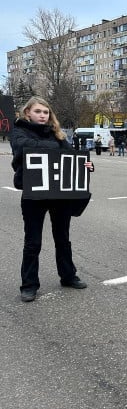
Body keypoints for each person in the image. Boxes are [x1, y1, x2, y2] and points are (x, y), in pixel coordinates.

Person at [10, 96, 94, 302]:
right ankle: (29, 285)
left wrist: (85, 165)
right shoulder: (19, 131)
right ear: (27, 112)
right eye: (38, 111)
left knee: (63, 239)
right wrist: (54, 148)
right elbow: (24, 149)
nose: (42, 115)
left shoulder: (57, 134)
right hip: (34, 195)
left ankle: (68, 275)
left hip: (59, 195)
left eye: (46, 112)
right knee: (33, 242)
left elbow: (71, 156)